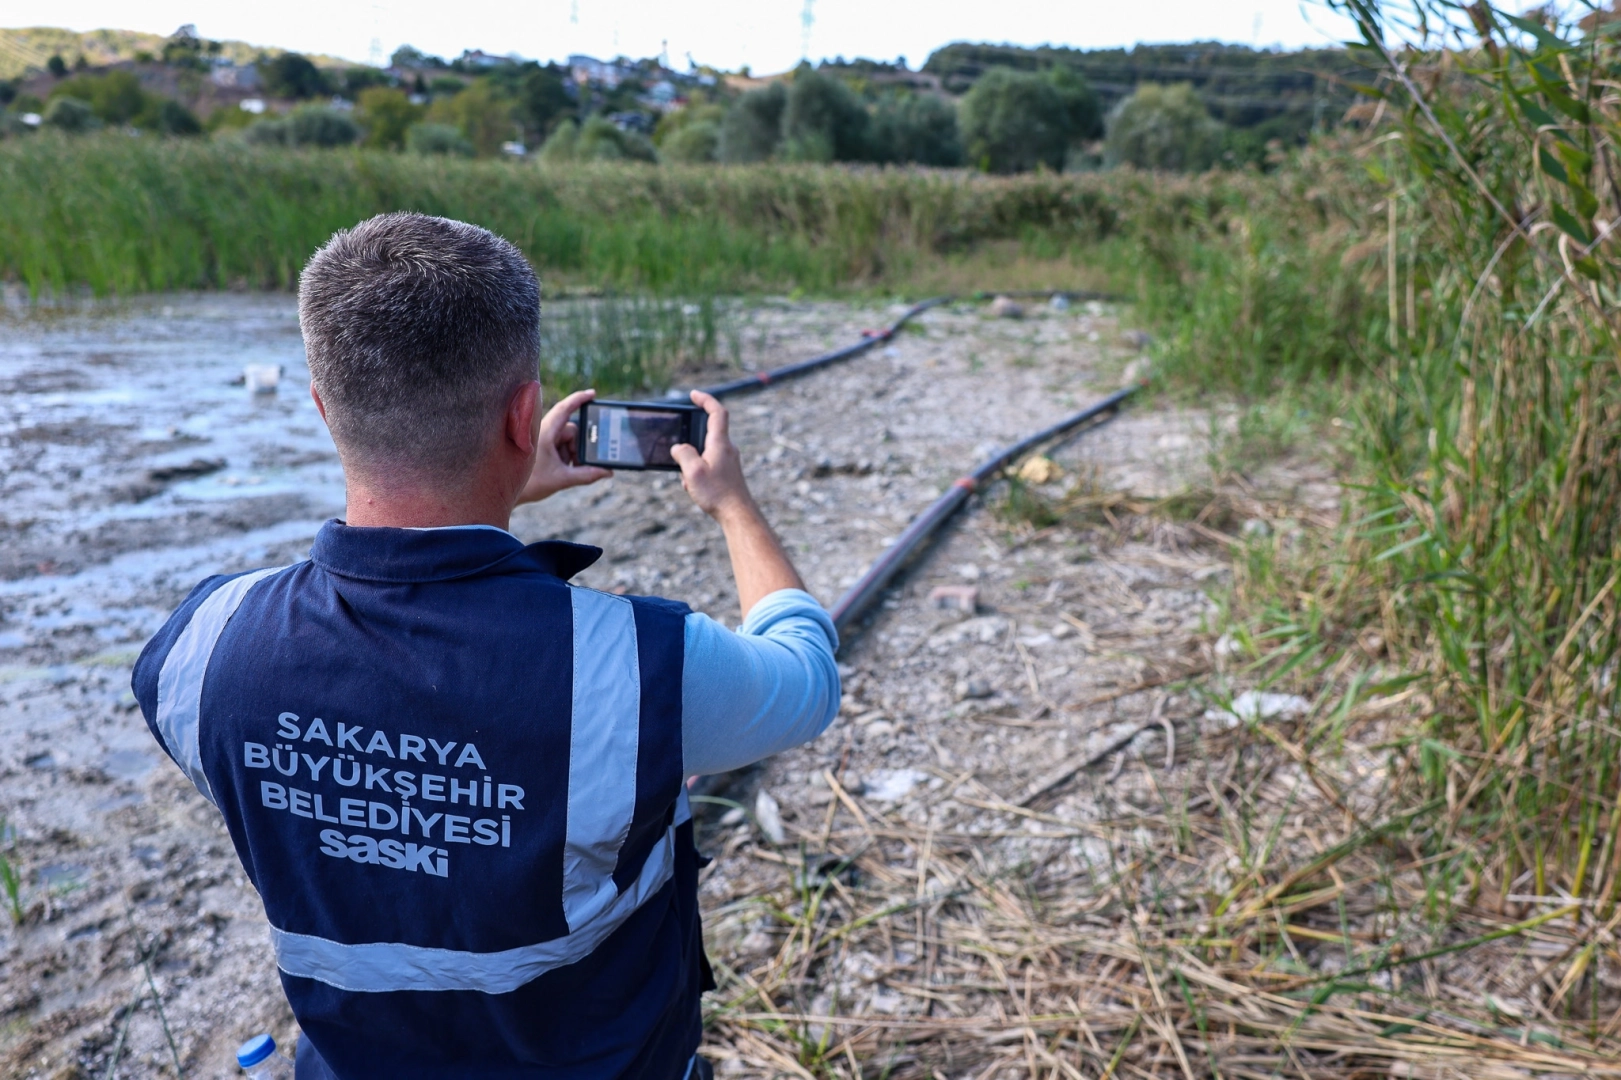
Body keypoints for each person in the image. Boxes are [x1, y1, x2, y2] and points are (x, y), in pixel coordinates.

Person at [133, 212, 840, 1079]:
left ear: (322, 406)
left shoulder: (201, 649)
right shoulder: (636, 668)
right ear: (524, 413)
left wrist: (495, 484)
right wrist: (731, 504)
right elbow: (805, 673)